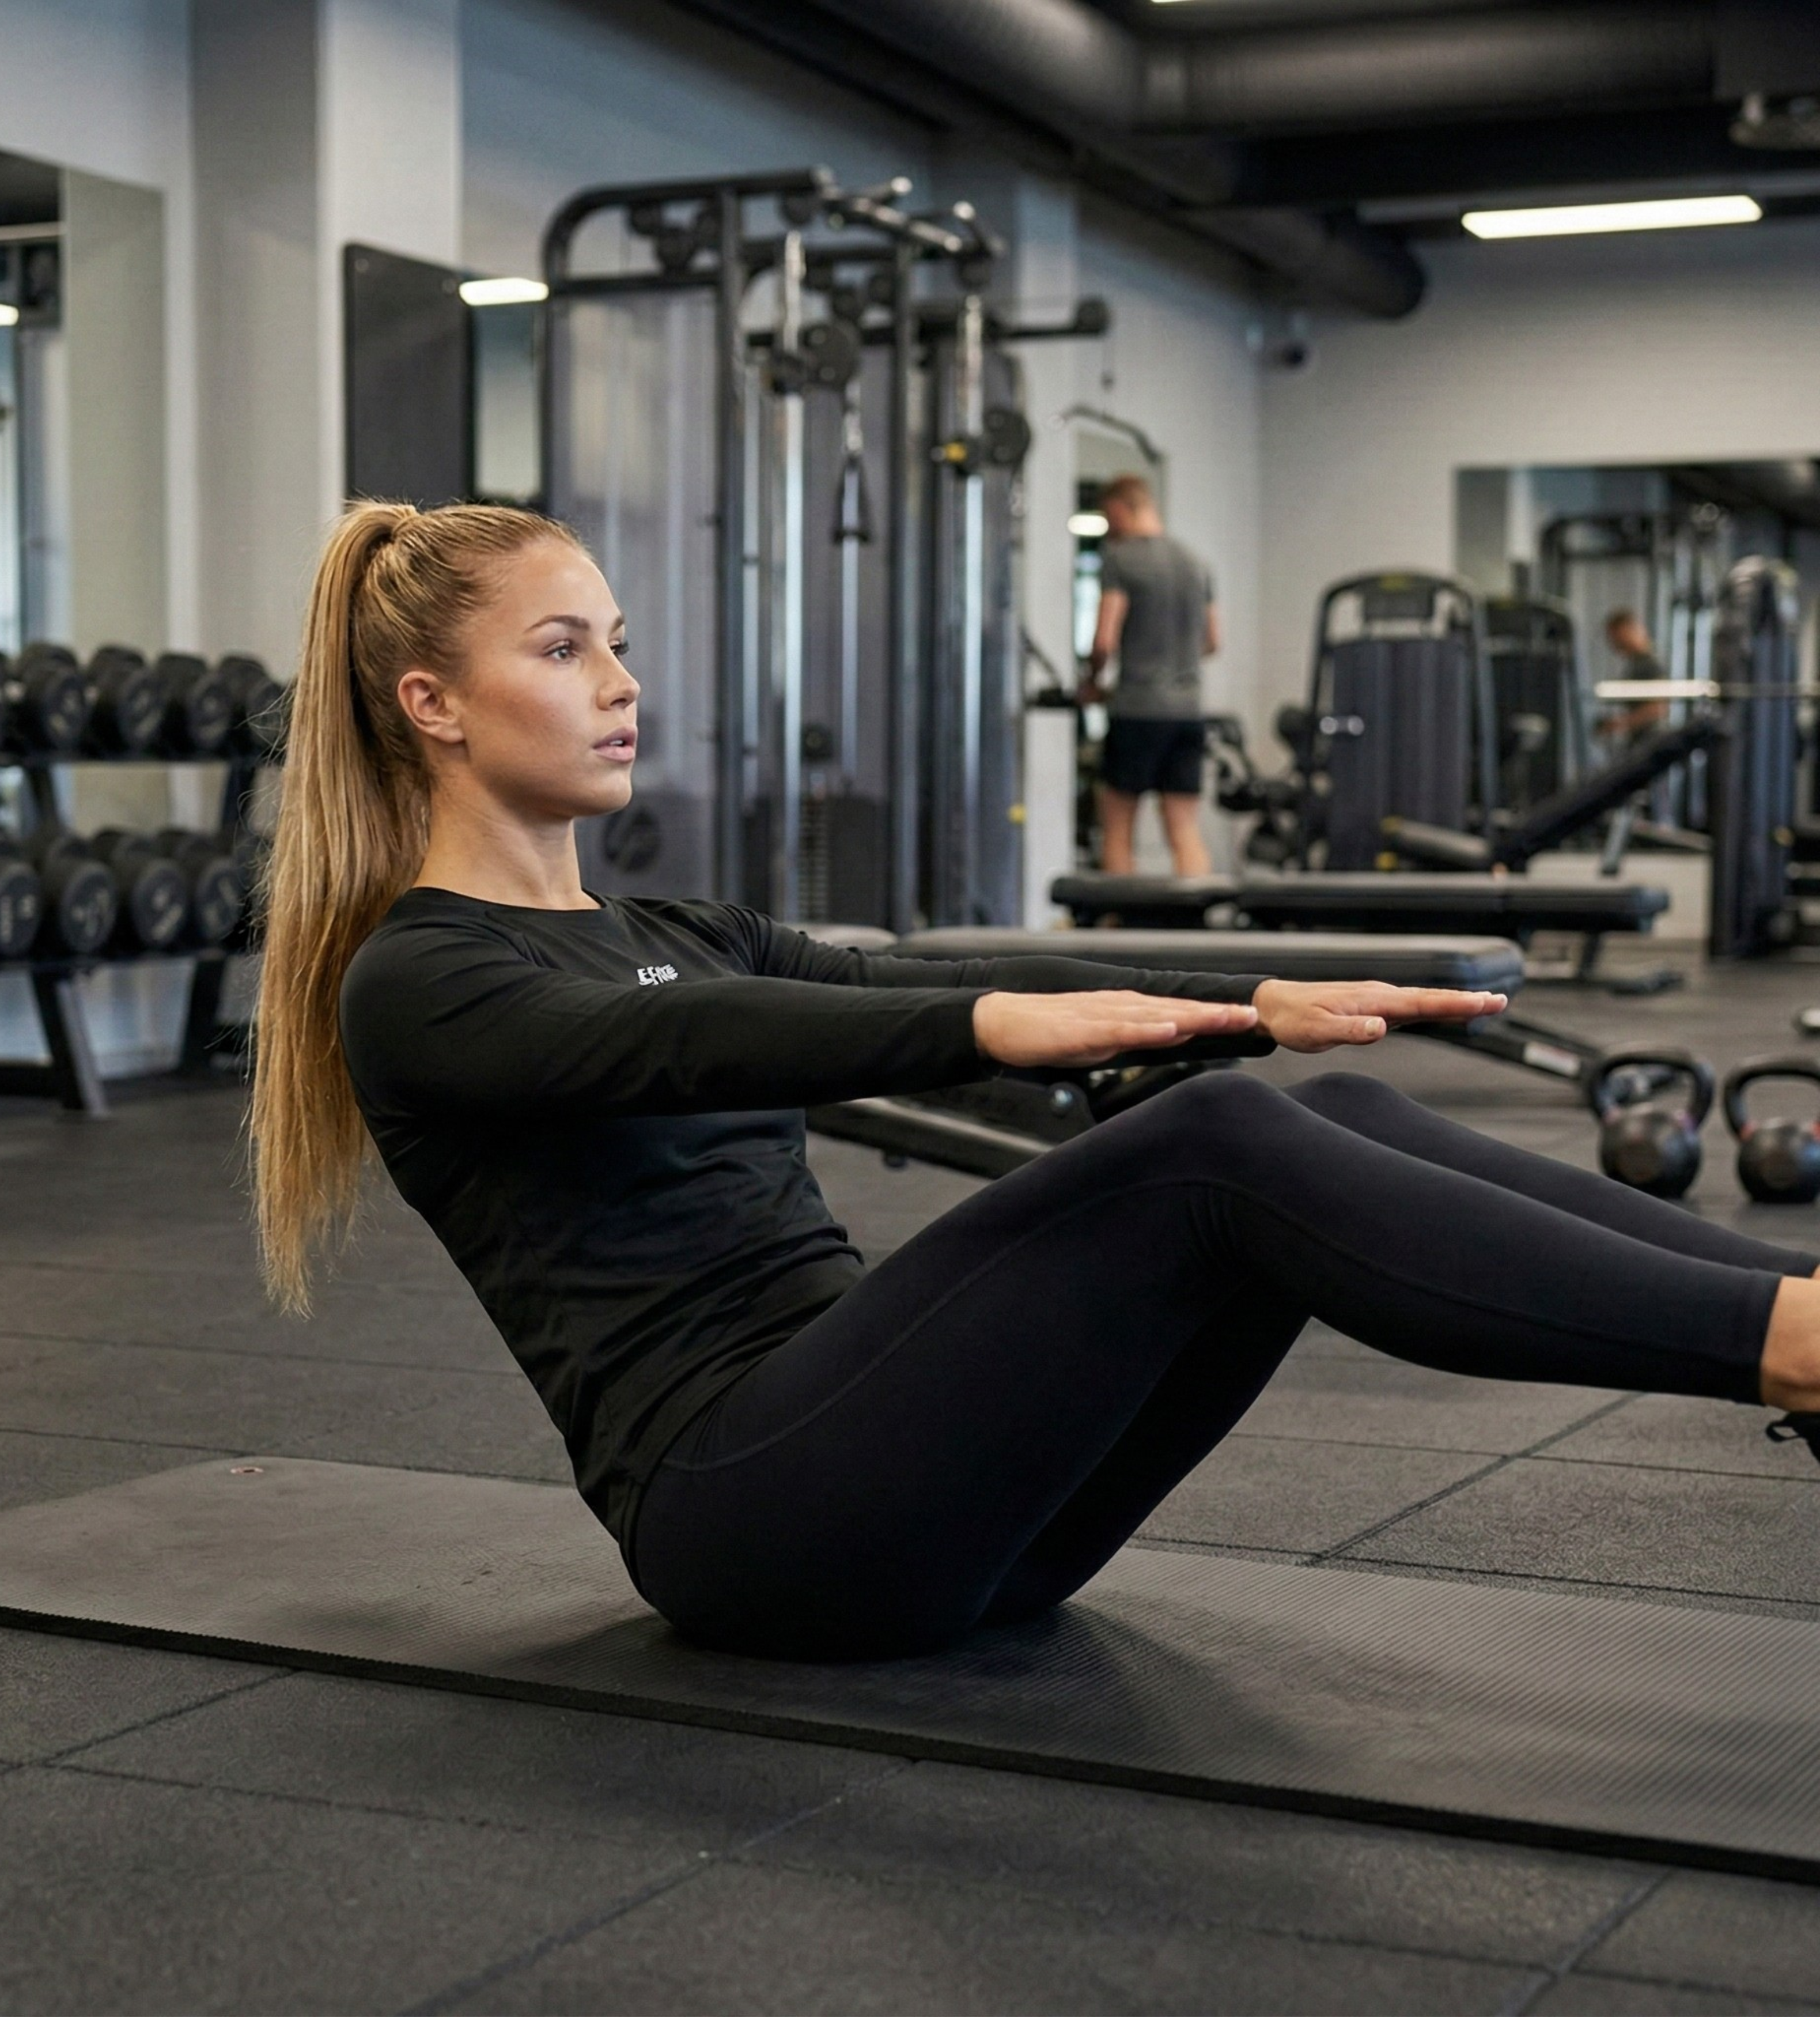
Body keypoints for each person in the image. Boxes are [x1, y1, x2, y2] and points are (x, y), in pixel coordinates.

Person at [250, 500, 1820, 1665]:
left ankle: (1800, 1304)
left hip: (952, 1496)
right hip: (755, 1522)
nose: (615, 680)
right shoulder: (417, 976)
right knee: (1206, 1150)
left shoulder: (681, 925)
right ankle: (1791, 1345)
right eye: (560, 645)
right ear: (431, 705)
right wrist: (992, 1026)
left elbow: (876, 979)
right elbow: (694, 1043)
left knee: (1306, 1108)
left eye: (617, 642)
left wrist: (1243, 1001)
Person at [1079, 474, 1217, 878]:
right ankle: (1196, 926)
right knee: (1184, 829)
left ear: (1122, 508)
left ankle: (1117, 927)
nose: (1110, 527)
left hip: (1137, 710)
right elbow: (1212, 641)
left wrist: (1093, 683)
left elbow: (1103, 641)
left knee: (1118, 828)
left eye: (1108, 517)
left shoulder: (1121, 560)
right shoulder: (1196, 561)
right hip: (1189, 712)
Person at [1599, 607, 1671, 750]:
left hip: (1651, 743)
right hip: (1640, 742)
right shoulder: (1636, 663)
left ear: (1629, 630)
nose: (1614, 643)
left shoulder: (1650, 664)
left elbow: (1658, 708)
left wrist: (1622, 723)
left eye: (1616, 636)